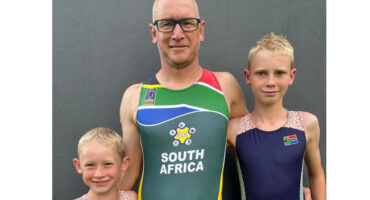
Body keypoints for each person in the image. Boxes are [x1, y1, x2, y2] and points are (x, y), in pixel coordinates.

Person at [118, 0, 247, 199]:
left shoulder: (225, 87)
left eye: (187, 23)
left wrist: (292, 190)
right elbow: (127, 175)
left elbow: (257, 152)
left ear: (201, 30)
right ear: (154, 33)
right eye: (167, 24)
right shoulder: (135, 97)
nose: (178, 35)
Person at [227, 33, 326, 200]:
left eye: (279, 73)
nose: (270, 82)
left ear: (291, 76)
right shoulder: (234, 129)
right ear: (248, 76)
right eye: (261, 73)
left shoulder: (305, 124)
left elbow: (316, 175)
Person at [72, 127, 137, 200]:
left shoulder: (132, 198)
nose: (99, 174)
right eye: (90, 165)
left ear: (123, 164)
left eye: (108, 164)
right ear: (78, 166)